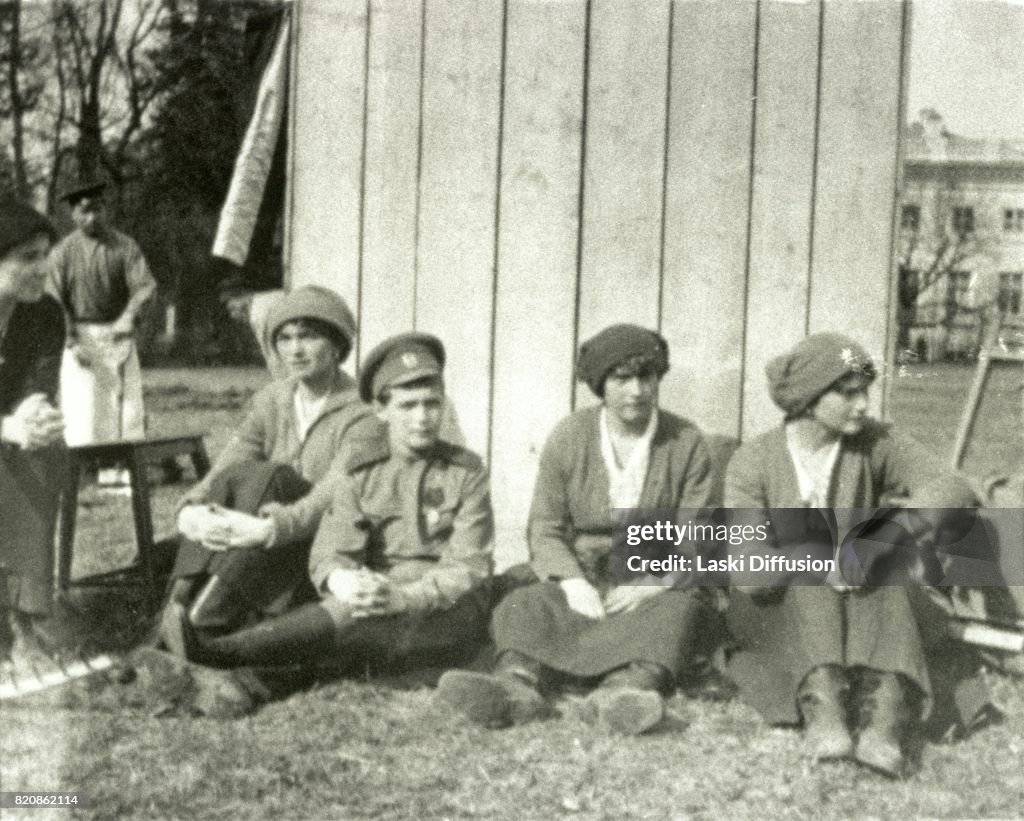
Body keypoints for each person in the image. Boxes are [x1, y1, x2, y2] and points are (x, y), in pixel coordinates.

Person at [722, 332, 985, 777]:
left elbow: (953, 487)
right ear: (808, 400)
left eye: (865, 390)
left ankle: (886, 716)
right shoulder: (754, 461)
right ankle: (824, 708)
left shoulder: (875, 444)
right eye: (848, 393)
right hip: (777, 606)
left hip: (863, 599)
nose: (864, 404)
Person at [162, 332, 494, 677]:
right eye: (408, 406)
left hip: (447, 608)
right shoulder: (362, 471)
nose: (422, 417)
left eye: (432, 403)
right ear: (381, 410)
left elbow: (469, 568)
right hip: (373, 598)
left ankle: (217, 653)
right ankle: (215, 649)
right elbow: (330, 550)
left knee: (354, 621)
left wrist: (405, 597)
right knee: (350, 612)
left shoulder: (467, 473)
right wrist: (342, 580)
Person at [437, 324, 715, 734]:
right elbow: (546, 527)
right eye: (622, 379)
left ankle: (620, 695)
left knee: (678, 613)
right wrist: (572, 581)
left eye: (646, 377)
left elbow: (697, 535)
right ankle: (516, 688)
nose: (636, 390)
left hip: (648, 577)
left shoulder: (686, 441)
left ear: (658, 379)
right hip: (582, 569)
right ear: (601, 385)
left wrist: (654, 584)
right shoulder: (570, 436)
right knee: (524, 603)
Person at [160, 285, 380, 648]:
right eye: (285, 338)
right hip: (259, 541)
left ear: (337, 345)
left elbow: (332, 496)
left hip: (318, 543)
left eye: (308, 337)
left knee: (271, 475)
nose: (294, 350)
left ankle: (201, 621)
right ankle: (179, 608)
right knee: (238, 480)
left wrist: (267, 528)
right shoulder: (272, 400)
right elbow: (228, 466)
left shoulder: (362, 413)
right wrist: (193, 509)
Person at [0, 198, 66, 674]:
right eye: (27, 257)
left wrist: (35, 418)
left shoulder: (43, 315)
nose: (42, 268)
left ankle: (27, 615)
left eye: (45, 254)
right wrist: (8, 426)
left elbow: (36, 389)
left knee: (46, 450)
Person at [48, 180, 155, 462]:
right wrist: (71, 342)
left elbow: (145, 287)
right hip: (80, 336)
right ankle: (80, 473)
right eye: (84, 211)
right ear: (74, 215)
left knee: (127, 408)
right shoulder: (62, 253)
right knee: (83, 408)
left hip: (118, 333)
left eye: (97, 209)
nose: (92, 217)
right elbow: (54, 300)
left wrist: (128, 318)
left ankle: (120, 472)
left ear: (106, 210)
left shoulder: (124, 246)